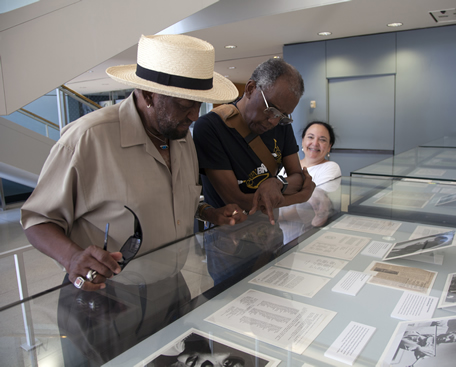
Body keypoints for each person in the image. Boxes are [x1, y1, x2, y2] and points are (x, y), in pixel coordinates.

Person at [20, 34, 246, 292]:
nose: (194, 115)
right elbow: (37, 220)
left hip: (174, 286)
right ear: (149, 94)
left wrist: (209, 213)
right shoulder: (88, 138)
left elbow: (175, 202)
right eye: (184, 104)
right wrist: (72, 257)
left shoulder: (181, 138)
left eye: (199, 104)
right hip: (106, 295)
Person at [193, 58, 315, 225]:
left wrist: (277, 183)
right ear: (250, 89)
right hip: (228, 237)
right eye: (271, 109)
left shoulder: (281, 123)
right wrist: (301, 196)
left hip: (270, 232)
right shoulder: (211, 127)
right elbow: (237, 200)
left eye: (283, 115)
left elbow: (298, 177)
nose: (273, 121)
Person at [293, 121, 341, 185]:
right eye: (310, 137)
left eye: (322, 140)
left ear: (329, 146)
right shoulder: (291, 165)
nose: (315, 144)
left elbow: (315, 194)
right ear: (303, 141)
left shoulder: (331, 167)